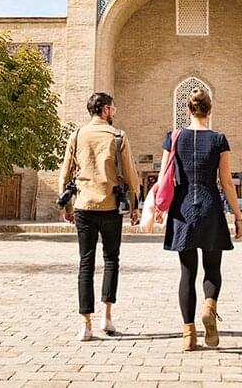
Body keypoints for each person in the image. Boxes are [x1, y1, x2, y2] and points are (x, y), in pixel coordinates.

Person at [157, 88, 242, 351]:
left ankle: (188, 335)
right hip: (210, 208)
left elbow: (163, 176)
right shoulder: (219, 140)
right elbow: (226, 182)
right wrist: (238, 216)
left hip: (182, 210)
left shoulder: (174, 137)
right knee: (212, 268)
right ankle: (209, 306)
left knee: (187, 273)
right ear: (210, 110)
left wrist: (159, 208)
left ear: (188, 110)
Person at [59, 92, 141, 341]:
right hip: (110, 206)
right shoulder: (118, 136)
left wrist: (67, 206)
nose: (114, 112)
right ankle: (107, 317)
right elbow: (131, 174)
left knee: (86, 263)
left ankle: (86, 324)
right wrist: (135, 205)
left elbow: (65, 172)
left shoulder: (77, 135)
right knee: (111, 260)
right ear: (105, 109)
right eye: (113, 109)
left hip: (84, 205)